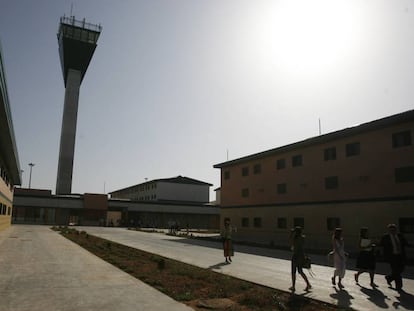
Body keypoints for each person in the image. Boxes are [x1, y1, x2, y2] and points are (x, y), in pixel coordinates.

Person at [380, 223, 408, 291]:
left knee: (401, 269)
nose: (392, 231)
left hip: (400, 256)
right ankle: (399, 286)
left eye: (394, 230)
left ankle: (389, 278)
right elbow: (381, 244)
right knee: (396, 271)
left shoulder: (400, 236)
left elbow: (405, 243)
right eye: (391, 230)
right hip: (392, 256)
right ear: (389, 230)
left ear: (396, 230)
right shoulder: (386, 237)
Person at [289, 226, 311, 292]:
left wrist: (291, 233)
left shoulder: (295, 238)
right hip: (301, 256)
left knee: (293, 272)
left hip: (295, 256)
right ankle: (308, 284)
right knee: (300, 271)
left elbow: (290, 241)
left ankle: (293, 286)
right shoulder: (302, 238)